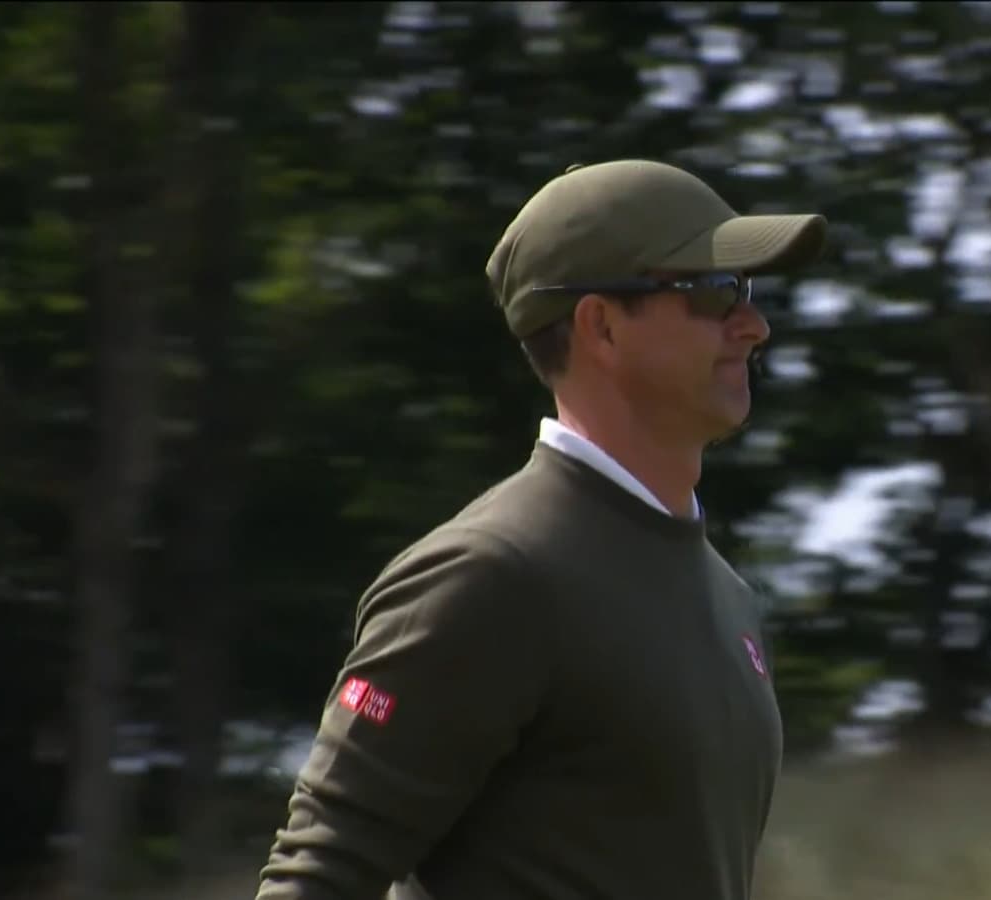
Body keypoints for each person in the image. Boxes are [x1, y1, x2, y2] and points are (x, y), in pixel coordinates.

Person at [255, 159, 828, 900]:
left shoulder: (732, 600)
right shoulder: (490, 574)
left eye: (746, 292)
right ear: (601, 327)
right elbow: (316, 877)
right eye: (716, 292)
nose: (754, 325)